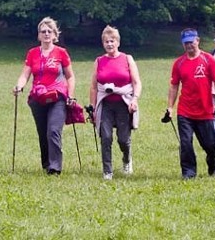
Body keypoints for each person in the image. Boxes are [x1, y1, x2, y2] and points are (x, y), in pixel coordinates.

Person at [13, 17, 77, 175]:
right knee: (43, 132)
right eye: (43, 31)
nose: (47, 34)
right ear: (39, 35)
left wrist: (70, 95)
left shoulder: (61, 53)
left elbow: (70, 76)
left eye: (50, 31)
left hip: (58, 96)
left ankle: (55, 168)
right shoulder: (33, 53)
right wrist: (19, 86)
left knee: (53, 130)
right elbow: (25, 75)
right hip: (38, 97)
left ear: (55, 35)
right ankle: (47, 163)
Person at [166, 28, 215, 179]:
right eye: (186, 43)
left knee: (211, 145)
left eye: (191, 42)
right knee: (185, 143)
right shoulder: (179, 63)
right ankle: (189, 172)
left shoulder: (208, 60)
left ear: (197, 41)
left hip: (206, 110)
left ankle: (212, 163)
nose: (189, 46)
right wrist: (170, 107)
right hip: (185, 111)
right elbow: (174, 86)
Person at [89, 25, 142, 180]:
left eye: (112, 41)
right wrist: (92, 108)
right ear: (103, 44)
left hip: (123, 103)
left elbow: (136, 82)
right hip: (105, 104)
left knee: (123, 139)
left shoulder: (127, 58)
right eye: (106, 42)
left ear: (118, 42)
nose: (109, 44)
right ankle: (107, 171)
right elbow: (93, 87)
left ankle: (127, 159)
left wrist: (135, 99)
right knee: (105, 137)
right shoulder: (99, 61)